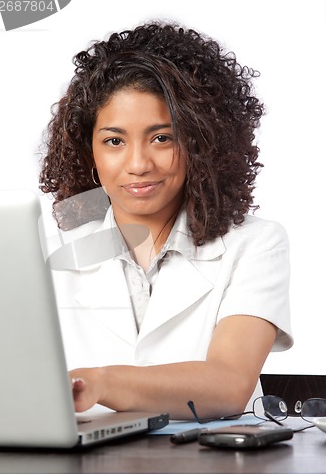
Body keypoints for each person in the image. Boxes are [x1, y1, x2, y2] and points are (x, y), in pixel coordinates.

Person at [39, 21, 293, 421]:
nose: (138, 164)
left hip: (213, 472)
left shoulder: (256, 244)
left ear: (200, 143)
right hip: (82, 470)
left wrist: (101, 384)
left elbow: (227, 386)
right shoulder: (48, 252)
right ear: (88, 151)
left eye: (162, 137)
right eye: (114, 141)